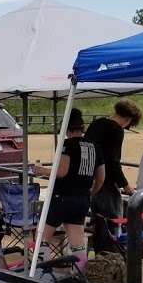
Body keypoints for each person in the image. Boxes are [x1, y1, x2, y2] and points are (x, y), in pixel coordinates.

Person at [33, 108, 104, 270]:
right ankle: (82, 273)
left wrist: (40, 169)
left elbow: (61, 172)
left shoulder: (67, 144)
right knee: (77, 240)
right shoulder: (95, 147)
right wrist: (91, 193)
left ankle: (44, 270)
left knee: (42, 236)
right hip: (82, 199)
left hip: (62, 197)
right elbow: (101, 178)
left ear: (66, 126)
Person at [85, 99, 142, 218]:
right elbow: (113, 161)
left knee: (97, 220)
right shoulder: (116, 129)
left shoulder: (96, 123)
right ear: (128, 119)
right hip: (106, 181)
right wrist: (125, 184)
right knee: (113, 219)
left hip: (90, 178)